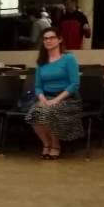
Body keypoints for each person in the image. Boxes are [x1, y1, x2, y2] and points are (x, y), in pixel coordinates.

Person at [26, 28, 83, 160]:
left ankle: (56, 145)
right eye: (45, 38)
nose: (48, 41)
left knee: (49, 111)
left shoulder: (69, 58)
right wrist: (42, 99)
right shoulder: (41, 63)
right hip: (47, 97)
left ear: (59, 39)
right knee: (34, 114)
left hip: (68, 98)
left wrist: (56, 100)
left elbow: (74, 84)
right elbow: (38, 86)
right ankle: (46, 144)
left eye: (51, 38)